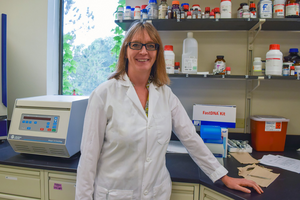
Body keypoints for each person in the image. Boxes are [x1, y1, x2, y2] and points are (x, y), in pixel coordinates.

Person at [75, 21, 263, 200]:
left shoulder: (165, 95)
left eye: (150, 46)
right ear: (126, 50)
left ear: (157, 53)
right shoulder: (104, 94)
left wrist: (223, 177)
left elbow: (191, 138)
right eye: (136, 45)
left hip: (157, 193)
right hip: (115, 193)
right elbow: (89, 158)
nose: (143, 51)